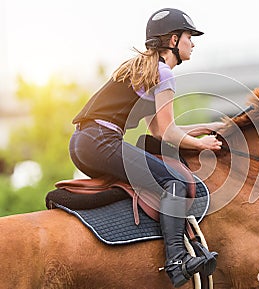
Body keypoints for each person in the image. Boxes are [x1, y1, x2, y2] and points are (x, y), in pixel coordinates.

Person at [69, 7, 223, 287]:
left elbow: (158, 129)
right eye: (190, 36)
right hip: (101, 141)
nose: (193, 42)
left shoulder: (147, 69)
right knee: (173, 181)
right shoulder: (164, 73)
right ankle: (177, 261)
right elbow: (167, 131)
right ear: (173, 41)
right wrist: (200, 145)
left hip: (83, 142)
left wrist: (201, 130)